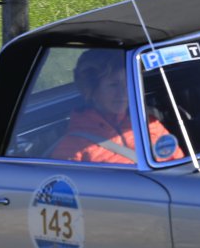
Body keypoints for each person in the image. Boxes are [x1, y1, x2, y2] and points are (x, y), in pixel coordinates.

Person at [49, 50, 183, 164]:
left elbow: (178, 163)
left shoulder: (147, 123)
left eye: (127, 83)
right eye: (113, 85)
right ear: (91, 90)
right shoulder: (72, 147)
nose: (123, 92)